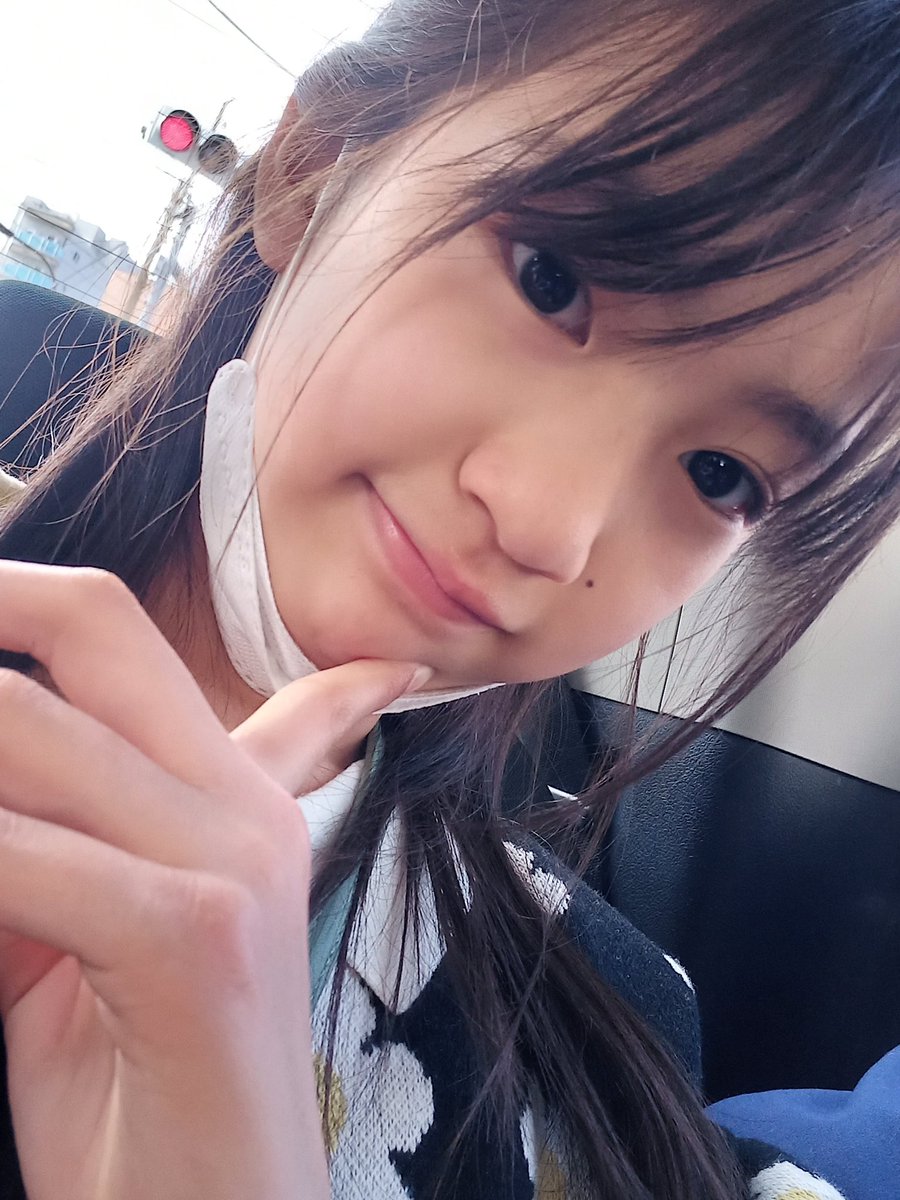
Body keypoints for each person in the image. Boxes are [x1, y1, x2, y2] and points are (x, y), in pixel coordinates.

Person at [0, 0, 898, 1196]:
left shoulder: (606, 1051)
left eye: (720, 475)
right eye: (548, 279)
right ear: (315, 169)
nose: (549, 525)